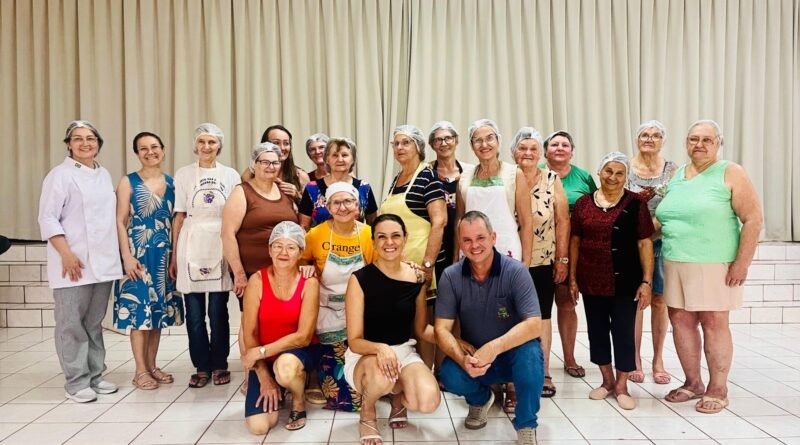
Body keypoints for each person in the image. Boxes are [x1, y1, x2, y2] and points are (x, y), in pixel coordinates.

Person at [657, 120, 762, 414]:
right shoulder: (678, 175)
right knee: (680, 321)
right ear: (686, 143)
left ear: (718, 144)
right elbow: (667, 219)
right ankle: (693, 383)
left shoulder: (731, 172)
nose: (699, 145)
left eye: (707, 140)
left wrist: (742, 263)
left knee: (714, 322)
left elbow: (753, 219)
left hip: (715, 263)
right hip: (675, 260)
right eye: (693, 139)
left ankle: (718, 389)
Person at [436, 211, 544, 445]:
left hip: (515, 353)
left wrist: (495, 347)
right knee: (449, 374)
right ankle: (480, 400)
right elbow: (441, 329)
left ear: (493, 237)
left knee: (531, 358)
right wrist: (462, 358)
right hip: (475, 356)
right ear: (460, 243)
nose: (474, 245)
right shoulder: (451, 276)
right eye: (467, 240)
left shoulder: (516, 272)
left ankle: (526, 423)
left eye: (480, 238)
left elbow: (535, 324)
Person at [38, 120, 121, 403]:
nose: (85, 143)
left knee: (94, 323)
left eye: (90, 139)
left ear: (98, 143)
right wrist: (66, 253)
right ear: (69, 144)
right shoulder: (59, 175)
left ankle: (95, 375)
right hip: (72, 263)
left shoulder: (103, 174)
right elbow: (48, 217)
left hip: (103, 263)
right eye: (78, 139)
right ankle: (76, 382)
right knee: (71, 324)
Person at [345, 214, 441, 445]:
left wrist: (452, 342)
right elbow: (355, 340)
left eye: (395, 235)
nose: (389, 242)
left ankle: (398, 397)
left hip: (404, 352)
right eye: (382, 237)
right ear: (373, 242)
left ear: (405, 238)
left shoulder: (417, 278)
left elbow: (421, 329)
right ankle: (367, 412)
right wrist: (381, 348)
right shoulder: (359, 279)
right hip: (365, 356)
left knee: (428, 401)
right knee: (382, 376)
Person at [569, 152, 654, 410]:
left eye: (619, 173)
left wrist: (647, 282)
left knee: (623, 332)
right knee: (596, 331)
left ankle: (622, 385)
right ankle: (607, 382)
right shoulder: (583, 204)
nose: (613, 177)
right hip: (591, 280)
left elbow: (645, 243)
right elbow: (575, 241)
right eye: (608, 171)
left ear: (626, 176)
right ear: (599, 172)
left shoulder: (636, 203)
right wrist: (572, 278)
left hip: (625, 282)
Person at [171, 123, 241, 388]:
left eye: (212, 142)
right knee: (195, 314)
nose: (206, 147)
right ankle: (201, 366)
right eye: (202, 142)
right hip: (191, 242)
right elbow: (179, 215)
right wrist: (174, 255)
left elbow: (236, 214)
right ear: (195, 145)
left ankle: (220, 363)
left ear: (219, 145)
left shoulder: (230, 175)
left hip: (220, 240)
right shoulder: (184, 174)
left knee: (218, 311)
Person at [113, 131, 184, 390]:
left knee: (157, 314)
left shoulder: (173, 183)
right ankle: (140, 370)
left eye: (154, 147)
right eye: (143, 148)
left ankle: (152, 366)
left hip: (164, 256)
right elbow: (120, 221)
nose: (150, 152)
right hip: (139, 255)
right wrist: (126, 257)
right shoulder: (128, 182)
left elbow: (177, 222)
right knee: (139, 313)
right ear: (136, 153)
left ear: (163, 150)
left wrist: (175, 257)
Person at [301, 182, 377, 412]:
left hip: (361, 311)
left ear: (357, 205)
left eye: (348, 202)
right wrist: (306, 266)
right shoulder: (316, 234)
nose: (342, 208)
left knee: (362, 372)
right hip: (328, 312)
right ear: (328, 207)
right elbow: (301, 260)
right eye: (336, 203)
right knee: (344, 392)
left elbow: (378, 269)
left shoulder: (368, 234)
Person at [240, 221, 320, 435]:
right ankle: (278, 384)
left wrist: (262, 351)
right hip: (264, 359)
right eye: (278, 246)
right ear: (269, 250)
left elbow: (303, 337)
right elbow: (250, 333)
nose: (283, 253)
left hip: (297, 354)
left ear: (300, 252)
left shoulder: (309, 283)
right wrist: (264, 377)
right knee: (260, 427)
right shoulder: (256, 281)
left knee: (285, 368)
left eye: (291, 247)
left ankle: (298, 400)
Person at [380, 124, 446, 370]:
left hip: (420, 267)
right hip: (397, 267)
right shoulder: (396, 180)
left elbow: (439, 222)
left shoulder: (428, 177)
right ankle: (406, 374)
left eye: (405, 142)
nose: (399, 148)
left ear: (418, 146)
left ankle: (425, 373)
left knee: (422, 325)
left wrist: (428, 265)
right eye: (395, 143)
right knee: (404, 326)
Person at [512, 127, 570, 404]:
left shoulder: (551, 179)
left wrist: (562, 258)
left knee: (542, 316)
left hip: (542, 260)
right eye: (522, 148)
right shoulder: (507, 177)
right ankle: (510, 373)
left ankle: (543, 372)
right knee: (509, 317)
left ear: (541, 153)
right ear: (514, 152)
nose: (527, 153)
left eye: (533, 149)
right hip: (510, 261)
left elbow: (563, 220)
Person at [627, 120, 678, 385]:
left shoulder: (672, 170)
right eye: (645, 135)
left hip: (661, 242)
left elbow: (678, 203)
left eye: (656, 135)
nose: (649, 139)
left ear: (663, 141)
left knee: (660, 300)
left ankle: (658, 360)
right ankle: (634, 360)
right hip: (631, 243)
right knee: (635, 301)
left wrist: (654, 226)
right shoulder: (625, 168)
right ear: (637, 139)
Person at [542, 130, 595, 379]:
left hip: (573, 249)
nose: (560, 148)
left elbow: (595, 208)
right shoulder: (533, 172)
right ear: (546, 151)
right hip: (540, 247)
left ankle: (570, 358)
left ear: (572, 151)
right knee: (538, 308)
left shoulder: (584, 177)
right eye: (555, 144)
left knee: (566, 303)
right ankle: (539, 363)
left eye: (565, 145)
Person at [456, 119, 533, 266]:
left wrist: (526, 262)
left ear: (498, 141)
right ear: (472, 146)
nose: (484, 145)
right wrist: (456, 257)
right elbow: (459, 221)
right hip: (473, 250)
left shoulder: (514, 174)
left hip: (507, 247)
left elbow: (526, 222)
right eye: (478, 140)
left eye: (489, 138)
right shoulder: (464, 178)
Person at [298, 137, 378, 230]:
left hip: (357, 239)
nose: (340, 159)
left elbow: (373, 225)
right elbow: (304, 227)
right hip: (320, 239)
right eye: (335, 155)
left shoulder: (364, 188)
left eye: (344, 155)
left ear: (352, 159)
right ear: (327, 159)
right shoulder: (312, 189)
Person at [427, 121, 473, 283]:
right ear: (432, 145)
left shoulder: (470, 172)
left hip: (464, 238)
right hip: (436, 239)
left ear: (456, 140)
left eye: (448, 138)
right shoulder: (426, 172)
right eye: (438, 140)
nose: (444, 143)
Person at [260, 124, 310, 202]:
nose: (282, 148)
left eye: (286, 143)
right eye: (276, 143)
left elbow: (312, 208)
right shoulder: (252, 173)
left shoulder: (301, 176)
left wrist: (298, 196)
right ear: (264, 145)